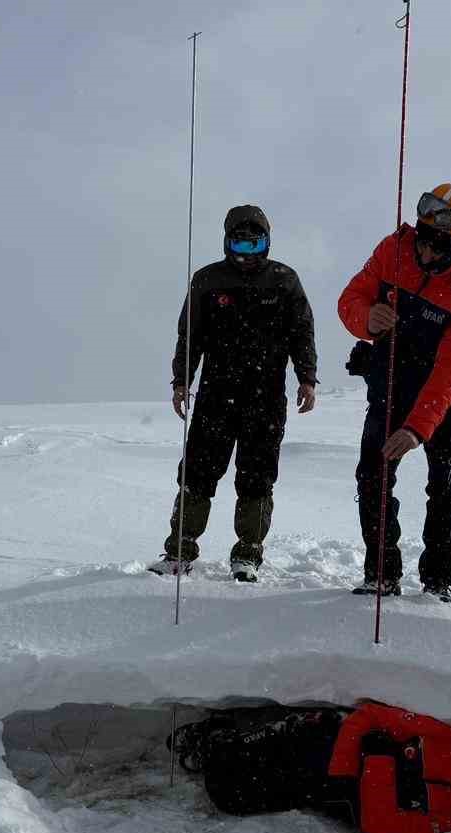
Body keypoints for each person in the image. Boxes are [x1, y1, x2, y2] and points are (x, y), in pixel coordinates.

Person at [337, 183, 451, 601]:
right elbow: (350, 299)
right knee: (372, 475)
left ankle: (438, 582)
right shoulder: (394, 249)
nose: (424, 253)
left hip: (446, 395)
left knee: (446, 483)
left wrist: (417, 428)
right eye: (422, 241)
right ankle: (381, 573)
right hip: (391, 381)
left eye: (437, 246)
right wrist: (368, 319)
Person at [151, 205, 317, 582]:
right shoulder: (207, 280)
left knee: (257, 477)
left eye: (255, 242)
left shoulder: (284, 280)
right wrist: (181, 382)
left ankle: (248, 555)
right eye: (240, 242)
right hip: (215, 395)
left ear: (267, 242)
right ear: (227, 241)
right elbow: (189, 336)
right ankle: (179, 551)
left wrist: (307, 377)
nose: (247, 251)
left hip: (266, 397)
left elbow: (302, 331)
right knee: (196, 474)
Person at [169, 699, 451, 833]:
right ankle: (218, 734)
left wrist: (378, 763)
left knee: (229, 797)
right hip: (330, 736)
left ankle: (221, 743)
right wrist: (358, 746)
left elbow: (382, 824)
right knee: (252, 750)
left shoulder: (447, 820)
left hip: (329, 788)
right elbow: (373, 714)